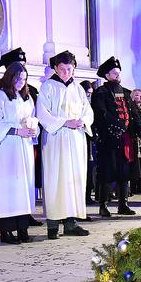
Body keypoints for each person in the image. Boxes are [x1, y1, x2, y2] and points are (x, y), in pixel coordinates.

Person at [37, 50, 93, 238]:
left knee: (73, 180)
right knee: (56, 179)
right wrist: (65, 122)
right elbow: (42, 113)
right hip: (56, 139)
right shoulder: (48, 87)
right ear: (55, 68)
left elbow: (88, 111)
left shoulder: (77, 88)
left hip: (76, 139)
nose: (66, 73)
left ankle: (71, 223)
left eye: (69, 69)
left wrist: (83, 121)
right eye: (62, 69)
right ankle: (53, 225)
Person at [0, 52, 39, 243]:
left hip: (24, 146)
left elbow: (32, 118)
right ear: (9, 77)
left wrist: (33, 130)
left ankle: (23, 228)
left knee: (24, 186)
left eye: (24, 79)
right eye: (17, 79)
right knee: (9, 185)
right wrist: (17, 131)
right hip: (7, 147)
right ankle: (6, 230)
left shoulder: (26, 97)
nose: (20, 83)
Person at [89, 56, 138, 217]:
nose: (118, 75)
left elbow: (132, 113)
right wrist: (117, 124)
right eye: (114, 73)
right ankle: (103, 205)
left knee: (124, 172)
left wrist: (137, 127)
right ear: (107, 75)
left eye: (119, 72)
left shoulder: (125, 92)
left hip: (125, 139)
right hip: (108, 139)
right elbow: (101, 114)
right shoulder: (101, 92)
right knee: (107, 172)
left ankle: (123, 204)